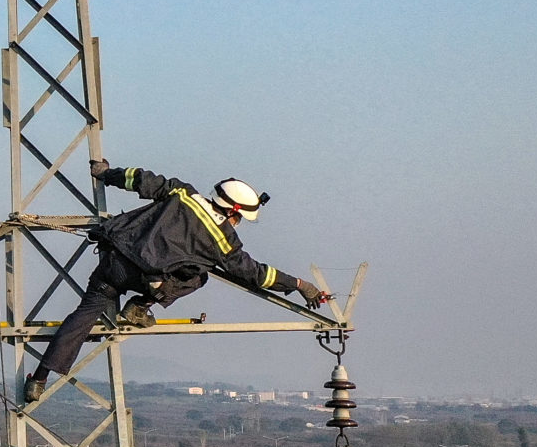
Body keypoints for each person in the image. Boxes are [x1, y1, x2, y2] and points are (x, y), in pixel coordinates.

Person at [26, 164, 332, 398]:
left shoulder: (182, 193)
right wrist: (299, 285)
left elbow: (139, 179)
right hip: (148, 280)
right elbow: (256, 274)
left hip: (113, 262)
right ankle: (140, 306)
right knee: (200, 276)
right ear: (233, 212)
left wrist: (106, 174)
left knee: (81, 319)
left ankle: (38, 380)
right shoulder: (223, 240)